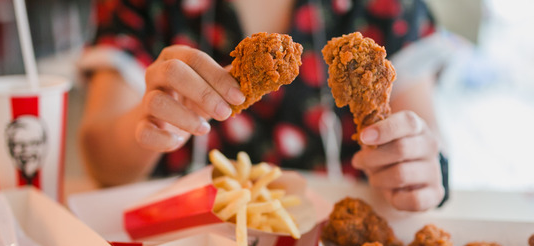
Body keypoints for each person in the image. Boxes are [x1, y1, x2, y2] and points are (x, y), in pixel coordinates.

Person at [78, 0, 448, 211]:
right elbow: (103, 163)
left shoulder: (387, 7)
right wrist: (150, 122)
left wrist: (418, 166)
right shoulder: (144, 7)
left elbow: (426, 138)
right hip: (185, 242)